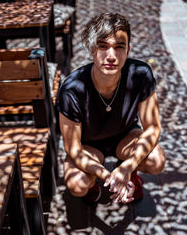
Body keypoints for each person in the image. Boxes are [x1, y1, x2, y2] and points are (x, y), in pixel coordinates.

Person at [57, 12, 166, 204]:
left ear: (128, 50)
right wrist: (108, 177)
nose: (111, 56)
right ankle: (93, 185)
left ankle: (127, 171)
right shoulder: (72, 89)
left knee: (156, 160)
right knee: (77, 185)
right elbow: (73, 148)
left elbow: (153, 127)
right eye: (103, 47)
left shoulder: (140, 75)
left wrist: (127, 167)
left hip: (125, 137)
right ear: (92, 50)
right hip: (87, 145)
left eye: (119, 47)